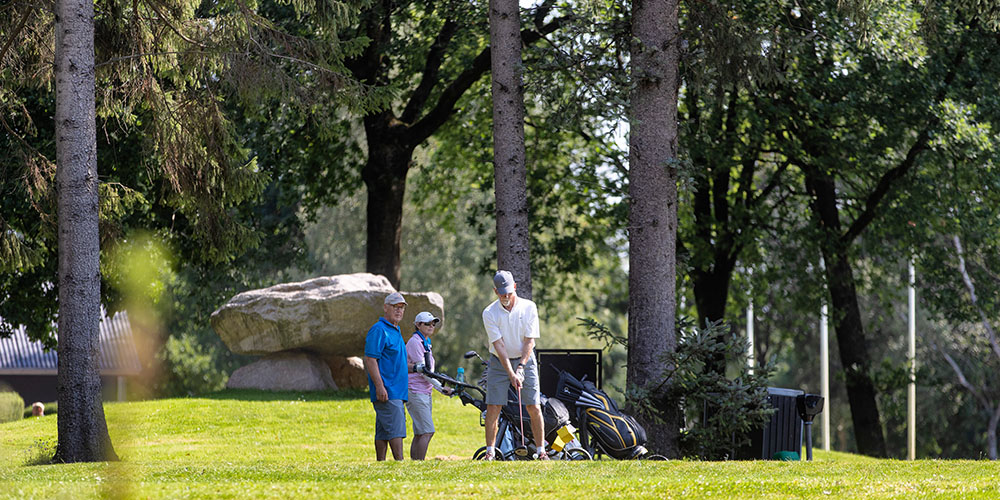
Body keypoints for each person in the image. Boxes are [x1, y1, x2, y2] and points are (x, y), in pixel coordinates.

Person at [481, 270, 548, 460]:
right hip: (498, 361)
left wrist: (520, 367)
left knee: (533, 405)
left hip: (525, 358)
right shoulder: (489, 312)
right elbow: (499, 346)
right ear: (495, 291)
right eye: (502, 293)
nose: (506, 296)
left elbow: (529, 341)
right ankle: (490, 452)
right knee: (493, 406)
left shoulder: (529, 307)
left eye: (509, 292)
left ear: (515, 288)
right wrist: (510, 372)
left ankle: (541, 450)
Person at [363, 292, 409, 461]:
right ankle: (400, 462)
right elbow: (370, 359)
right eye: (395, 307)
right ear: (385, 308)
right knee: (396, 429)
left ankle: (380, 463)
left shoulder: (396, 330)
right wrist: (380, 386)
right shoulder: (379, 330)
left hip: (397, 390)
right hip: (388, 390)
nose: (399, 311)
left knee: (383, 430)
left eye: (402, 308)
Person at [405, 311, 453, 460]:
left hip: (424, 391)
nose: (431, 326)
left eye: (433, 323)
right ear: (418, 325)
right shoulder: (415, 342)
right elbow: (424, 371)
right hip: (415, 390)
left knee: (420, 432)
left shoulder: (426, 342)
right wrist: (440, 387)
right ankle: (420, 464)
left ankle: (415, 464)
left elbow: (428, 370)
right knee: (427, 431)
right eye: (427, 323)